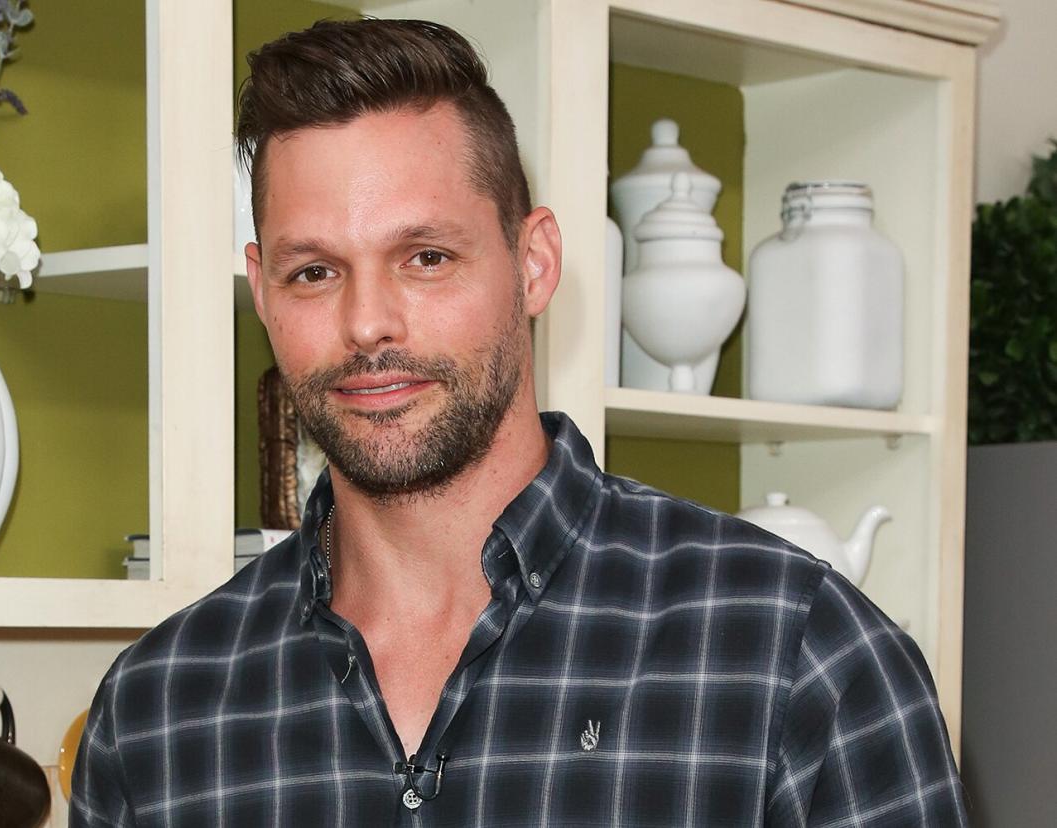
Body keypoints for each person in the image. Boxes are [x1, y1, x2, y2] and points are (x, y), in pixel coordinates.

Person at [71, 18, 966, 827]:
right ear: (263, 289)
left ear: (532, 263)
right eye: (314, 272)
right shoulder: (158, 708)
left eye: (426, 258)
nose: (367, 323)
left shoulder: (801, 655)